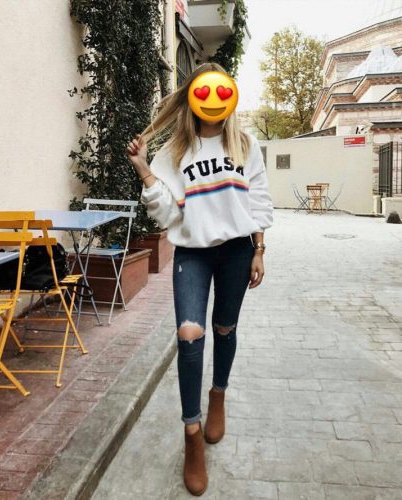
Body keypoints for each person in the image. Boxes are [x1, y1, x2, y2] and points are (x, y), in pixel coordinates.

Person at [126, 62, 273, 496]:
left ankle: (218, 396)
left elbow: (259, 200)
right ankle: (192, 433)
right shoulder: (174, 151)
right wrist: (143, 168)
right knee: (189, 335)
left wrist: (259, 249)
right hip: (192, 253)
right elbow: (166, 214)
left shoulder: (245, 144)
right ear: (192, 97)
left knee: (224, 328)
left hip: (237, 252)